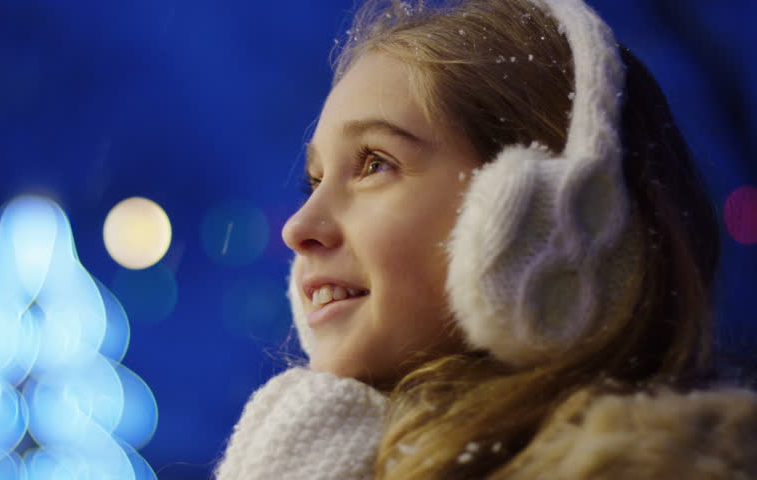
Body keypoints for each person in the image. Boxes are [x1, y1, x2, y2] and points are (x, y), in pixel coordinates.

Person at [215, 0, 757, 478]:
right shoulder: (313, 444)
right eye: (314, 181)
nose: (297, 229)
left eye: (376, 164)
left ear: (541, 221)